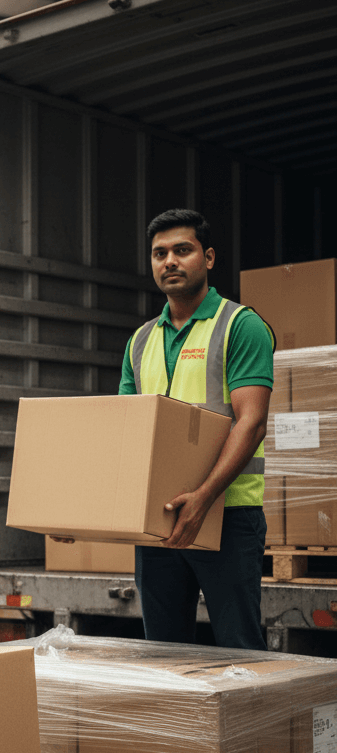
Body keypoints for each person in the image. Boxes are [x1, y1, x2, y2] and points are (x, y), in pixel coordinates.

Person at [120, 208, 274, 649]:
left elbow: (252, 421)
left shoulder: (240, 326)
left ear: (207, 258)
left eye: (182, 250)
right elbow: (127, 434)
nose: (169, 261)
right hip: (160, 520)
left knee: (239, 647)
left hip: (227, 515)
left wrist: (203, 498)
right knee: (165, 653)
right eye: (159, 253)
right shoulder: (140, 341)